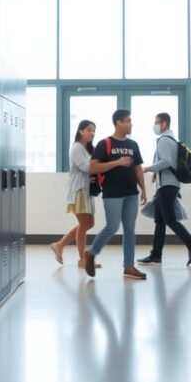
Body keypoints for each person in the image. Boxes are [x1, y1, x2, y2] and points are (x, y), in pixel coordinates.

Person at [84, 109, 148, 280]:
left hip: (131, 194)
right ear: (119, 123)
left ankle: (129, 266)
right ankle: (91, 253)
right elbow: (93, 167)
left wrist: (143, 189)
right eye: (128, 120)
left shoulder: (133, 145)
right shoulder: (104, 144)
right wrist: (117, 162)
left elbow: (137, 168)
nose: (131, 124)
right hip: (112, 193)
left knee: (130, 229)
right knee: (112, 226)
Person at [138, 113, 191, 266]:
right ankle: (156, 255)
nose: (154, 125)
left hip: (167, 186)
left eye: (156, 122)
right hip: (168, 185)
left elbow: (166, 161)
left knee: (170, 220)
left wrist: (149, 168)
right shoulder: (172, 140)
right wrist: (156, 172)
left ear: (164, 124)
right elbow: (168, 161)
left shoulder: (163, 140)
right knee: (160, 221)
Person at [50, 120, 102, 269]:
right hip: (79, 190)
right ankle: (81, 259)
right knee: (86, 224)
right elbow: (86, 167)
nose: (92, 133)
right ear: (80, 131)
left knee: (87, 223)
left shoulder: (86, 149)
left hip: (86, 190)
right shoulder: (77, 148)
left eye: (93, 130)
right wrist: (101, 165)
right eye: (89, 130)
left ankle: (60, 245)